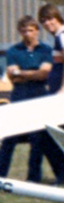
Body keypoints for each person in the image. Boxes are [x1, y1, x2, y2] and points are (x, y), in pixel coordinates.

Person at [0, 16, 53, 182]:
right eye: (23, 31)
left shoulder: (45, 50)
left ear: (36, 31)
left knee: (37, 139)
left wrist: (23, 73)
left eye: (30, 30)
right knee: (10, 138)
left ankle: (34, 176)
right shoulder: (14, 51)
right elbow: (12, 74)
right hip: (20, 94)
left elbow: (45, 73)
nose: (27, 34)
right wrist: (33, 73)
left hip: (39, 94)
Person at [38, 4, 64, 185]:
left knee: (48, 137)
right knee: (63, 136)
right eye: (44, 21)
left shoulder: (62, 36)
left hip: (62, 95)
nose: (48, 24)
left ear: (58, 18)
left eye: (50, 19)